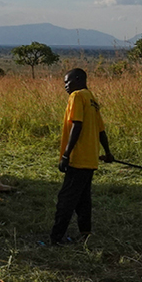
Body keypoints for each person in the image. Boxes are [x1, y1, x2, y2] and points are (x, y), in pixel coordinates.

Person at [50, 68, 114, 245]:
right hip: (90, 160)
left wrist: (66, 154)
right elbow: (101, 131)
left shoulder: (77, 96)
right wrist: (107, 152)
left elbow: (76, 125)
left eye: (67, 82)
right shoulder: (92, 99)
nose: (65, 86)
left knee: (66, 200)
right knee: (83, 200)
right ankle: (85, 234)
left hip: (78, 160)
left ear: (78, 79)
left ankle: (56, 238)